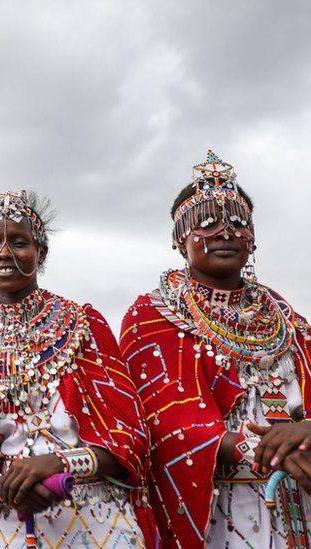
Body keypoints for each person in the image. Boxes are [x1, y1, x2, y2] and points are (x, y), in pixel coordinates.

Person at [120, 151, 311, 547]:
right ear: (179, 240)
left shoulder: (288, 319)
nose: (226, 232)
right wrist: (264, 448)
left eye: (238, 223)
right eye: (207, 222)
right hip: (220, 509)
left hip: (302, 498)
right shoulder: (152, 316)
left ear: (253, 238)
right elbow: (166, 423)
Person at [0, 190, 156, 548]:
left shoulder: (84, 326)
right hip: (18, 527)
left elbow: (131, 442)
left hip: (101, 522)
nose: (4, 253)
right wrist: (6, 488)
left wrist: (58, 464)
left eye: (18, 242)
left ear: (41, 252)